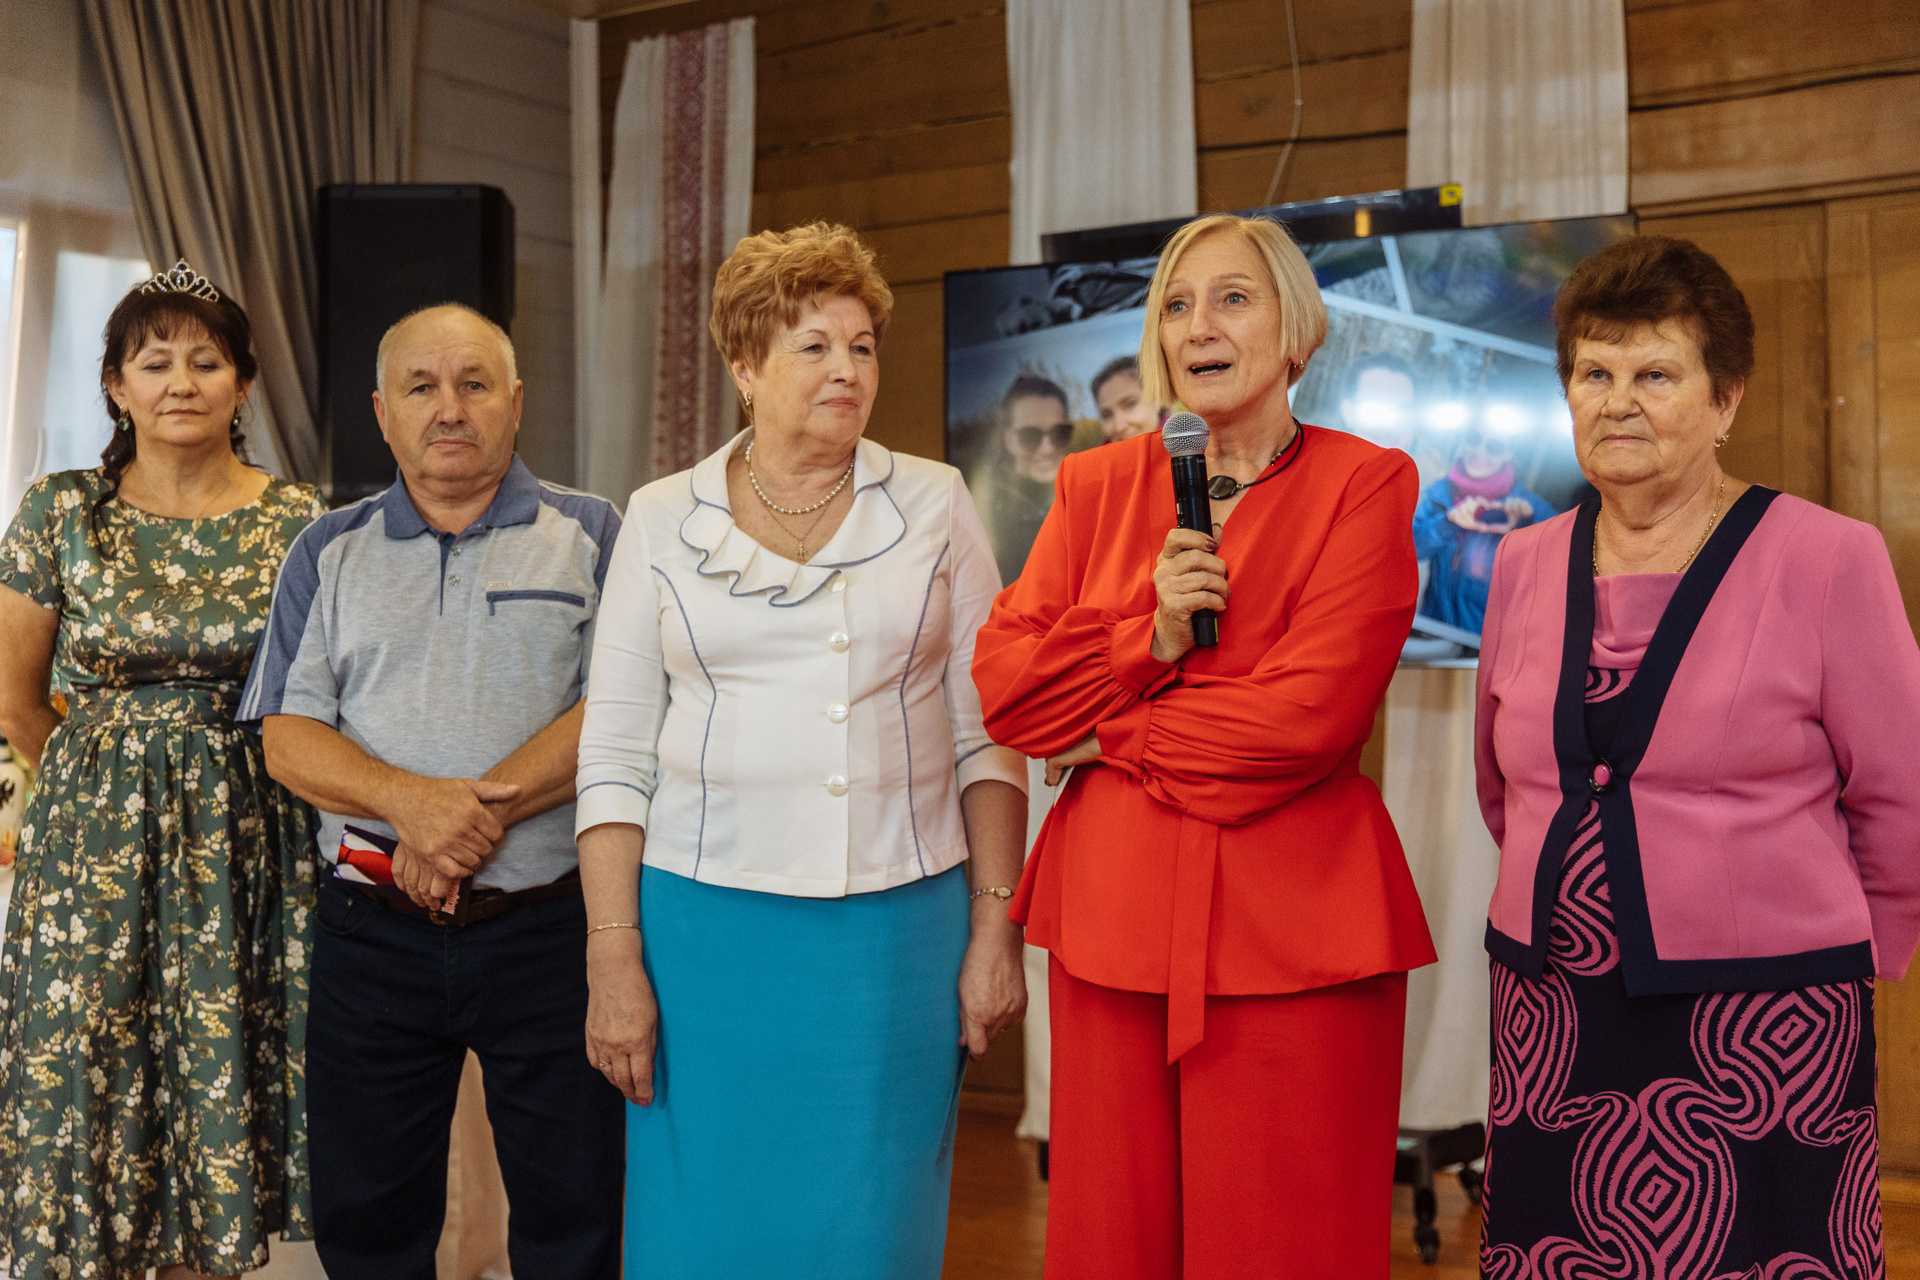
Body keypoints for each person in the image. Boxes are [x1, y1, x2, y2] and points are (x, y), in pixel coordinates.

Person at [974, 213, 1436, 1278]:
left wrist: (1103, 733)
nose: (1199, 326)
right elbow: (1010, 694)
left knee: (1284, 1246)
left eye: (1233, 298)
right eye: (1177, 306)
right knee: (1111, 1247)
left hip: (1297, 931)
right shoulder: (1095, 486)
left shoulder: (1366, 483)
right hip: (1111, 925)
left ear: (1295, 330)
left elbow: (1303, 723)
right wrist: (1147, 638)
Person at [574, 222, 1028, 1279]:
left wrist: (995, 928)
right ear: (744, 366)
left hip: (896, 932)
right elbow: (614, 755)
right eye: (814, 345)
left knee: (871, 1230)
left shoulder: (935, 501)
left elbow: (987, 735)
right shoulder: (659, 517)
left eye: (862, 346)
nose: (847, 369)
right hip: (701, 931)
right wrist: (611, 954)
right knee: (707, 1230)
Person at [1474, 236, 1920, 1276]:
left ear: (1726, 400)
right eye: (1595, 373)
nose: (1618, 403)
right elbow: (1506, 790)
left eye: (1655, 375)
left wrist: (1863, 954)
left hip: (1763, 1020)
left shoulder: (1828, 556)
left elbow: (1902, 790)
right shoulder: (1522, 560)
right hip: (1552, 1009)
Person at [240, 303, 626, 1277]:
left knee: (577, 1217)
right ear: (383, 411)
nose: (449, 408)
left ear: (516, 402)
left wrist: (461, 822)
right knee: (368, 1225)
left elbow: (623, 713)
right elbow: (287, 737)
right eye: (421, 386)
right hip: (372, 935)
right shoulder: (326, 548)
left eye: (474, 383)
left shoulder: (595, 532)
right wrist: (411, 807)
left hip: (552, 933)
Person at [0, 261, 323, 1278]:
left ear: (243, 383)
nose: (181, 381)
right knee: (90, 1073)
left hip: (247, 843)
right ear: (116, 385)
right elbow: (15, 699)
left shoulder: (302, 519)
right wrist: (107, 789)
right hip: (89, 854)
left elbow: (325, 691)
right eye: (155, 362)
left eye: (206, 361)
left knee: (212, 1076)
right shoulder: (60, 511)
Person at [1411, 424, 1555, 634]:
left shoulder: (1532, 509)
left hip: (1488, 639)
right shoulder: (1438, 492)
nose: (1479, 452)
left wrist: (1528, 528)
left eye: (1494, 447)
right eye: (1474, 438)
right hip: (1434, 630)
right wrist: (1447, 523)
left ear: (1510, 454)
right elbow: (1410, 549)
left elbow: (1563, 569)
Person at [968, 373, 1097, 584]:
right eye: (1030, 436)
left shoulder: (1088, 505)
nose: (1047, 449)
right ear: (1009, 440)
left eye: (1059, 433)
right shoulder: (987, 521)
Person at [1090, 354, 1165, 442]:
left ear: (1157, 400)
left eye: (1130, 405)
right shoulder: (1100, 451)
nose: (1119, 427)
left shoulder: (1179, 446)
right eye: (1107, 415)